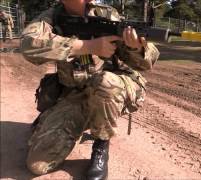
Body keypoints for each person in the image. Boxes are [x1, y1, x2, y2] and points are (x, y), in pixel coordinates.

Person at [20, 0, 160, 179]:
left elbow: (146, 63)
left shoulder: (106, 15)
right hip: (75, 94)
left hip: (108, 89)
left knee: (105, 82)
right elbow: (27, 44)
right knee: (37, 165)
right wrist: (87, 47)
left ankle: (101, 145)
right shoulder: (52, 17)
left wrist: (136, 47)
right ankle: (67, 119)